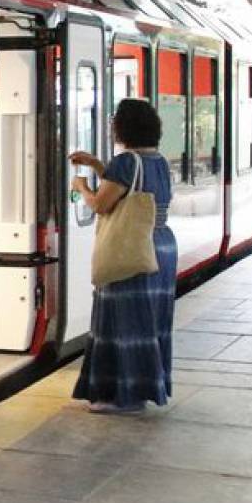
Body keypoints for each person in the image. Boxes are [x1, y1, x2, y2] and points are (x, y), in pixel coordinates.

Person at [68, 98, 175, 414]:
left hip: (131, 246)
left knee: (121, 319)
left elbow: (102, 204)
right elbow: (131, 190)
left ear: (122, 127)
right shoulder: (158, 161)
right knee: (149, 321)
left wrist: (81, 186)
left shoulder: (126, 161)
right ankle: (144, 389)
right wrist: (100, 166)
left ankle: (121, 395)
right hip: (161, 244)